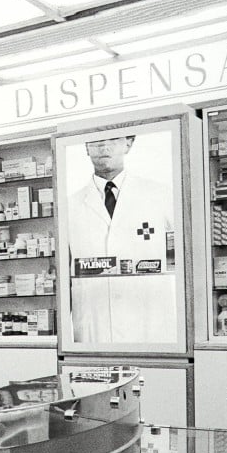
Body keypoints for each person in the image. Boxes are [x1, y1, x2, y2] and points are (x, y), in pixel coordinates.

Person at [66, 134, 176, 343]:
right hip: (95, 329)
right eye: (96, 140)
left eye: (113, 139)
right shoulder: (69, 205)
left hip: (149, 325)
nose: (104, 146)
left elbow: (184, 255)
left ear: (129, 143)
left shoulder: (159, 194)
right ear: (86, 147)